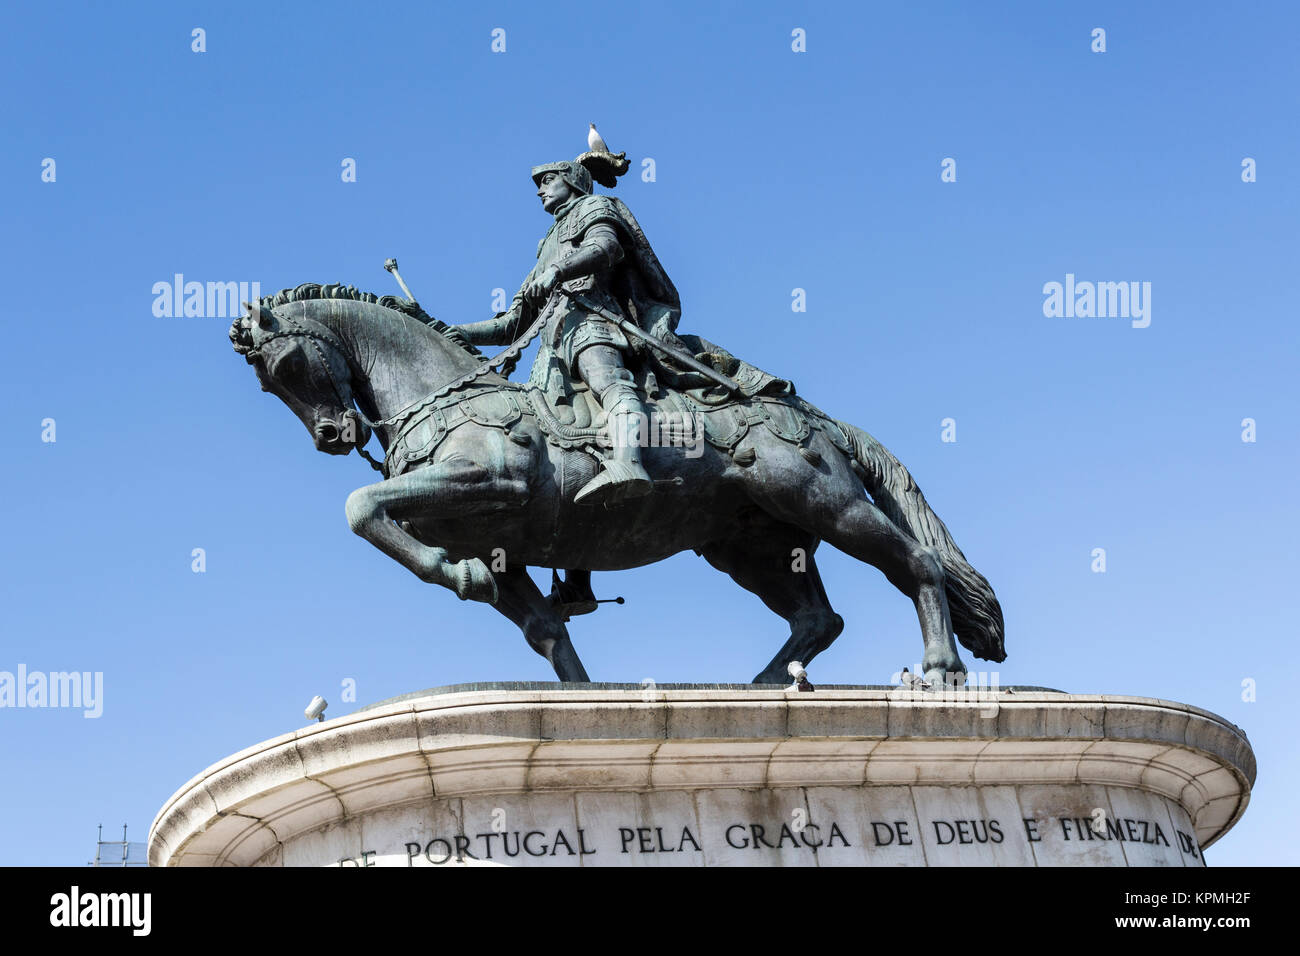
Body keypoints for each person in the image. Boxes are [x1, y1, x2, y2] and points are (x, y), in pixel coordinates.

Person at [454, 157, 680, 506]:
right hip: (553, 348)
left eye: (547, 180)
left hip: (593, 321)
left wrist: (559, 270)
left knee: (609, 382)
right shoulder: (546, 245)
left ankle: (628, 463)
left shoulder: (594, 205)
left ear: (572, 180)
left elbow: (607, 247)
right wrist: (452, 331)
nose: (540, 189)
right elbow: (510, 325)